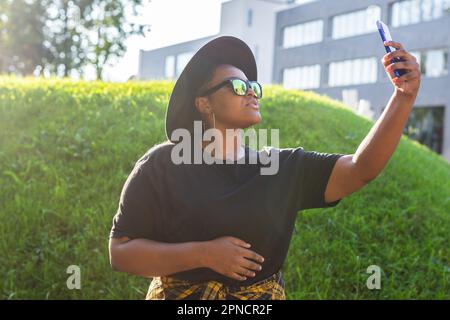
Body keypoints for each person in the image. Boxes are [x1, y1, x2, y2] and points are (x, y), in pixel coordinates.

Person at [108, 36, 421, 300]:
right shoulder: (162, 165)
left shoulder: (281, 167)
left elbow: (359, 169)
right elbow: (121, 252)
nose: (251, 94)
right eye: (237, 86)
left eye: (253, 87)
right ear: (204, 103)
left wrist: (403, 97)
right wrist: (203, 254)